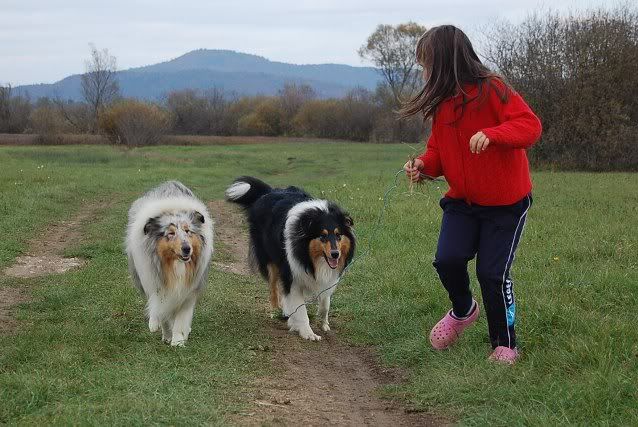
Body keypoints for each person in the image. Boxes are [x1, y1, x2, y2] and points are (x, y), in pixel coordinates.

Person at [401, 25, 542, 364]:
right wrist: (422, 165)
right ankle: (463, 311)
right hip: (463, 203)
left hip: (506, 205)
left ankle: (505, 343)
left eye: (427, 64)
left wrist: (494, 134)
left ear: (446, 62)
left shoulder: (494, 89)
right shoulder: (442, 104)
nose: (424, 73)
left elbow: (530, 126)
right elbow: (438, 152)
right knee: (447, 260)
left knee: (492, 274)